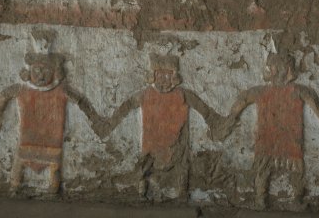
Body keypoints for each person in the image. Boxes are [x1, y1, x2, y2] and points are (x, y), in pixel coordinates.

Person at [94, 53, 223, 201]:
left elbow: (204, 109)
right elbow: (127, 106)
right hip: (151, 143)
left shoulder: (183, 94)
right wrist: (110, 124)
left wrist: (216, 123)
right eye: (159, 75)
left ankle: (182, 191)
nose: (163, 80)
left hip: (176, 144)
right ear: (153, 75)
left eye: (167, 75)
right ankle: (143, 188)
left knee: (181, 165)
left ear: (174, 76)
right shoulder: (146, 94)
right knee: (146, 164)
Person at [219, 52, 319, 210]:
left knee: (296, 167)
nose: (270, 71)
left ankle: (296, 199)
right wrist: (230, 120)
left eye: (273, 67)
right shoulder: (261, 91)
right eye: (270, 68)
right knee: (263, 168)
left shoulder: (298, 90)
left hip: (291, 135)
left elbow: (316, 105)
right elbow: (242, 100)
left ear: (284, 69)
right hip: (267, 134)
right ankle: (260, 199)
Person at [0, 52, 103, 194]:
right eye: (37, 70)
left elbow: (80, 100)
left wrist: (94, 118)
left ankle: (52, 189)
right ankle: (15, 186)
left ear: (55, 72)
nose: (41, 75)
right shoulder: (22, 89)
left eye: (46, 70)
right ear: (29, 72)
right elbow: (4, 94)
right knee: (21, 161)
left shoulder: (61, 90)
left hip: (52, 138)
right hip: (28, 137)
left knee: (53, 165)